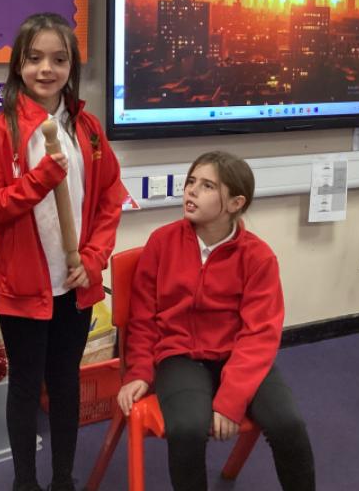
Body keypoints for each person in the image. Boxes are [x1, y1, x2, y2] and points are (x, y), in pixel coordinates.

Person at [0, 13, 125, 491]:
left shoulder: (88, 129)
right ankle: (25, 482)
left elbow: (110, 199)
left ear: (71, 66)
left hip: (75, 283)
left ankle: (63, 479)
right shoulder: (2, 130)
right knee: (25, 385)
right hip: (22, 287)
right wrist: (38, 181)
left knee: (65, 383)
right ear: (18, 65)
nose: (46, 69)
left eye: (59, 59)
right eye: (35, 58)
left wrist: (95, 259)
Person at [117, 151, 315, 491]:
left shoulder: (258, 257)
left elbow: (260, 335)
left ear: (236, 203)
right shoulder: (162, 242)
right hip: (179, 355)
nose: (192, 191)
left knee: (288, 424)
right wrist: (139, 371)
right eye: (191, 181)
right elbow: (143, 318)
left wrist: (231, 400)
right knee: (186, 429)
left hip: (238, 356)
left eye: (207, 186)